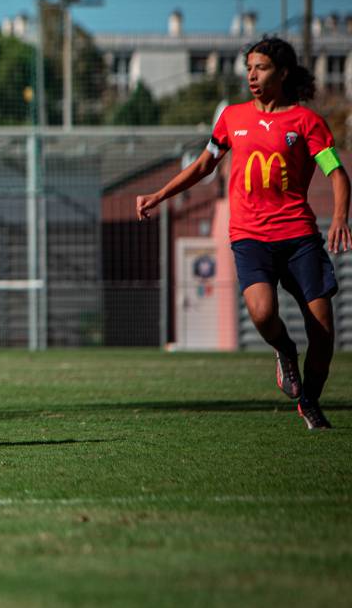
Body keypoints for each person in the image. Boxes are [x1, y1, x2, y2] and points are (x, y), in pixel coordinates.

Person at [136, 35, 349, 430]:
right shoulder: (232, 118)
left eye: (261, 68)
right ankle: (285, 349)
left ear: (282, 73)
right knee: (263, 313)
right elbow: (204, 166)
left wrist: (339, 217)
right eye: (249, 68)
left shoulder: (306, 122)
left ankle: (310, 401)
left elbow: (337, 173)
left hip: (299, 237)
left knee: (323, 334)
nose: (252, 75)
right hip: (250, 237)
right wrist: (159, 194)